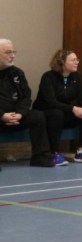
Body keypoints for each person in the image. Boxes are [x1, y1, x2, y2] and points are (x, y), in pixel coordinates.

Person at [33, 49, 82, 164]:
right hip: (46, 113)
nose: (77, 62)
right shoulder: (48, 77)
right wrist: (73, 108)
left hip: (65, 112)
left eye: (77, 59)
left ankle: (81, 151)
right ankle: (55, 153)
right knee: (57, 114)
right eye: (73, 60)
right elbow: (51, 102)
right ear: (62, 62)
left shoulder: (77, 77)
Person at [0, 38, 54, 167]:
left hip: (16, 116)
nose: (12, 56)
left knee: (38, 116)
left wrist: (20, 113)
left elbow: (26, 96)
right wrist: (2, 115)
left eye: (13, 52)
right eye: (8, 52)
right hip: (1, 117)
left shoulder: (17, 73)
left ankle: (39, 157)